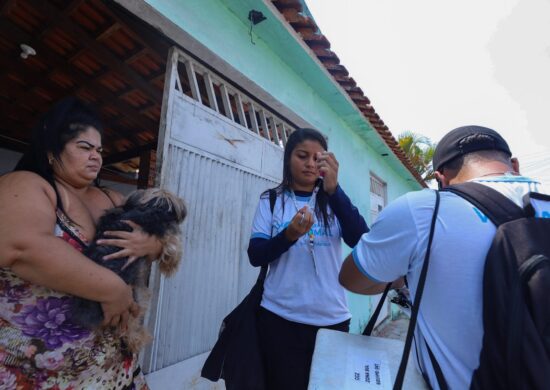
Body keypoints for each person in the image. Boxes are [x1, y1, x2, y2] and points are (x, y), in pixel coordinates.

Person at [339, 125, 548, 389]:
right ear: (515, 165)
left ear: (441, 178)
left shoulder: (423, 210)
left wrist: (403, 276)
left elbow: (351, 279)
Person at [0, 97, 163, 389]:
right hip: (42, 374)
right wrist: (113, 289)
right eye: (84, 148)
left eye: (99, 150)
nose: (97, 157)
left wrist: (151, 245)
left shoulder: (111, 198)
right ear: (52, 152)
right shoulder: (25, 184)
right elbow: (22, 248)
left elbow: (161, 235)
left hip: (116, 369)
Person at [247, 128, 368, 390]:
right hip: (279, 318)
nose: (310, 164)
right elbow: (255, 255)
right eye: (302, 156)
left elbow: (361, 240)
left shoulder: (335, 201)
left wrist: (334, 190)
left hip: (331, 319)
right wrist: (288, 235)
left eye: (318, 159)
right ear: (288, 158)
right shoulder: (271, 200)